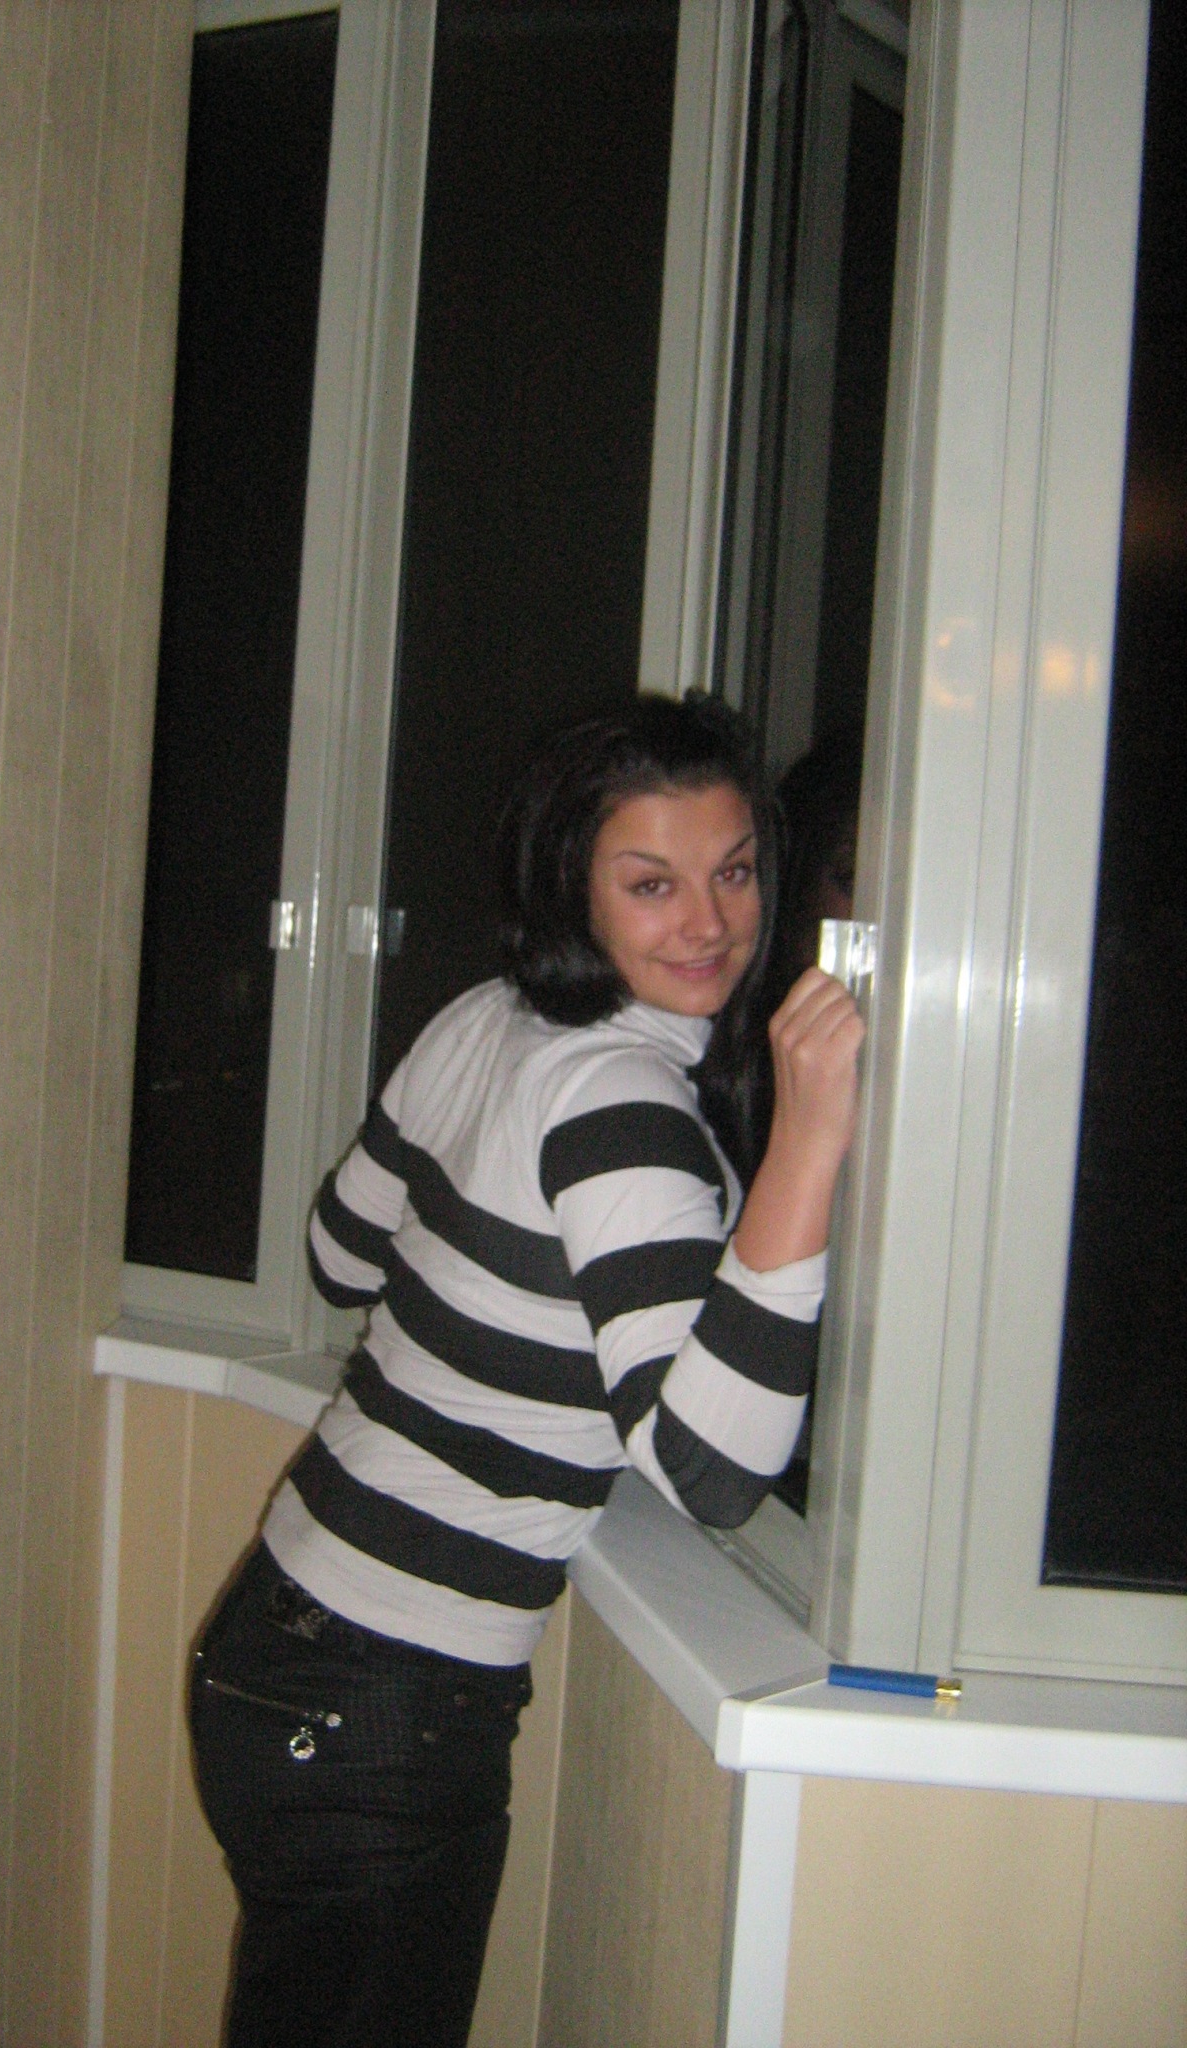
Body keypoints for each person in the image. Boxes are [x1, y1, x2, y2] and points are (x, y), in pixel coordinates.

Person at [189, 695, 863, 2048]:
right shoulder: (625, 1107)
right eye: (651, 883)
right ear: (575, 885)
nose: (709, 924)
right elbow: (712, 1471)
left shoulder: (489, 1017)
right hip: (387, 1708)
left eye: (734, 873)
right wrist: (806, 1142)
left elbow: (339, 1254)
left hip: (269, 1640)